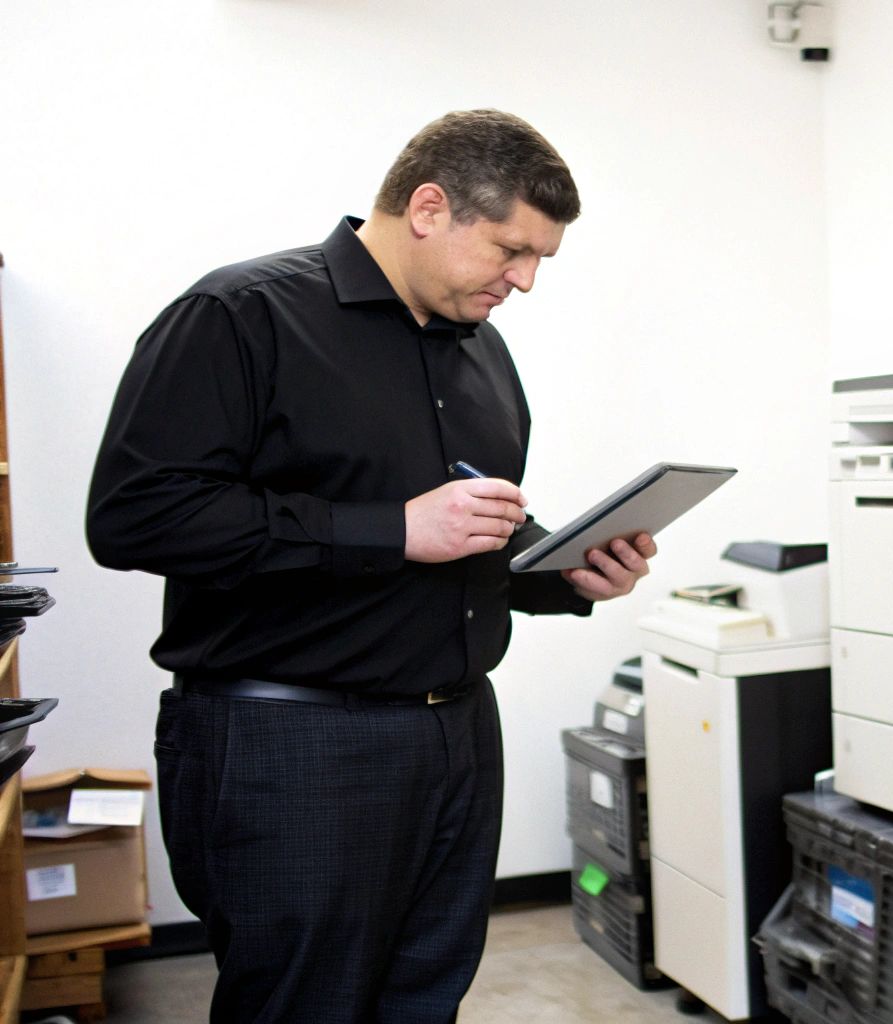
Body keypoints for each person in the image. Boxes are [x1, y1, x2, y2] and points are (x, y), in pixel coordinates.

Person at [86, 109, 655, 1023]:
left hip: (458, 736)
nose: (526, 281)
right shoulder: (240, 316)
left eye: (542, 259)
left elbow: (471, 530)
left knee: (423, 1001)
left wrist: (565, 569)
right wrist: (389, 530)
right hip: (291, 744)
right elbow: (136, 517)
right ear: (429, 208)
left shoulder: (482, 351)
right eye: (513, 250)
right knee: (303, 1007)